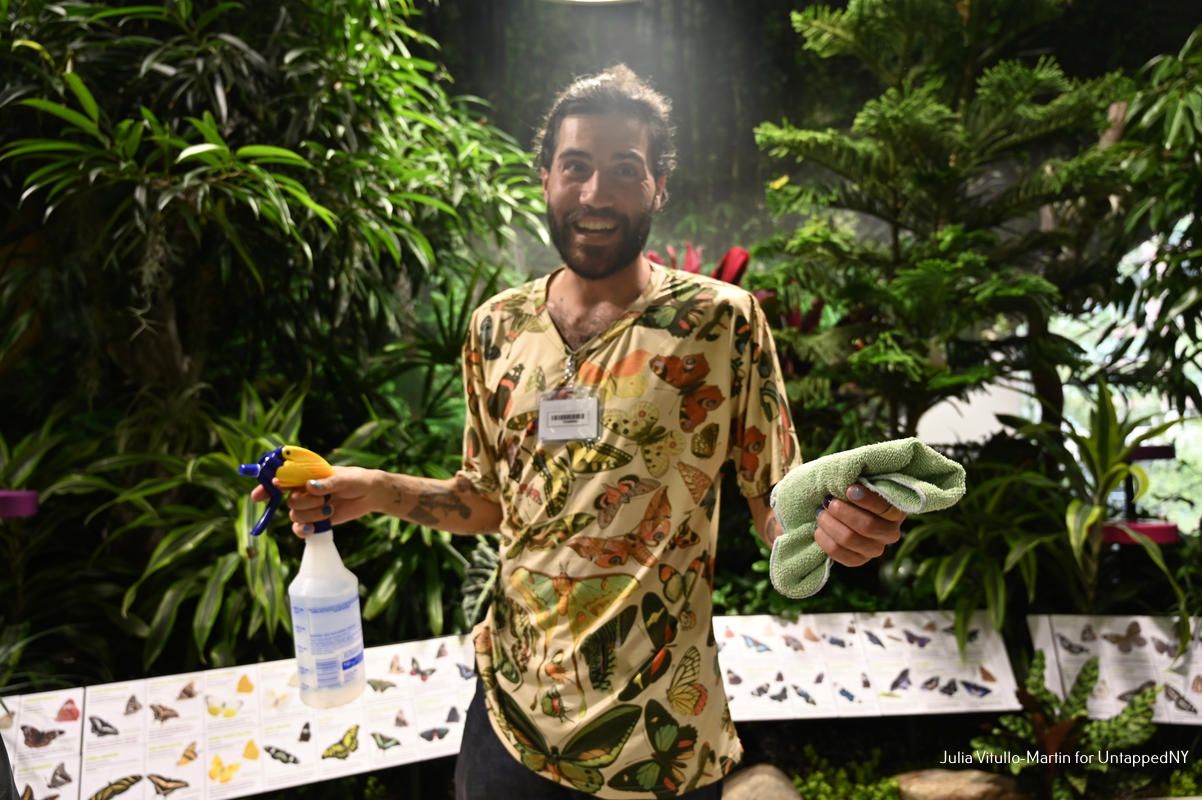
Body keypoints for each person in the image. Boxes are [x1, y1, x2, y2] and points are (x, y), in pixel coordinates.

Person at [257, 65, 905, 799]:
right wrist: (373, 489)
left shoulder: (722, 323)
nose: (596, 193)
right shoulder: (496, 327)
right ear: (545, 178)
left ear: (658, 186)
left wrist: (830, 526)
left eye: (625, 169)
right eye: (576, 166)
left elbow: (773, 500)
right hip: (511, 722)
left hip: (660, 736)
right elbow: (486, 501)